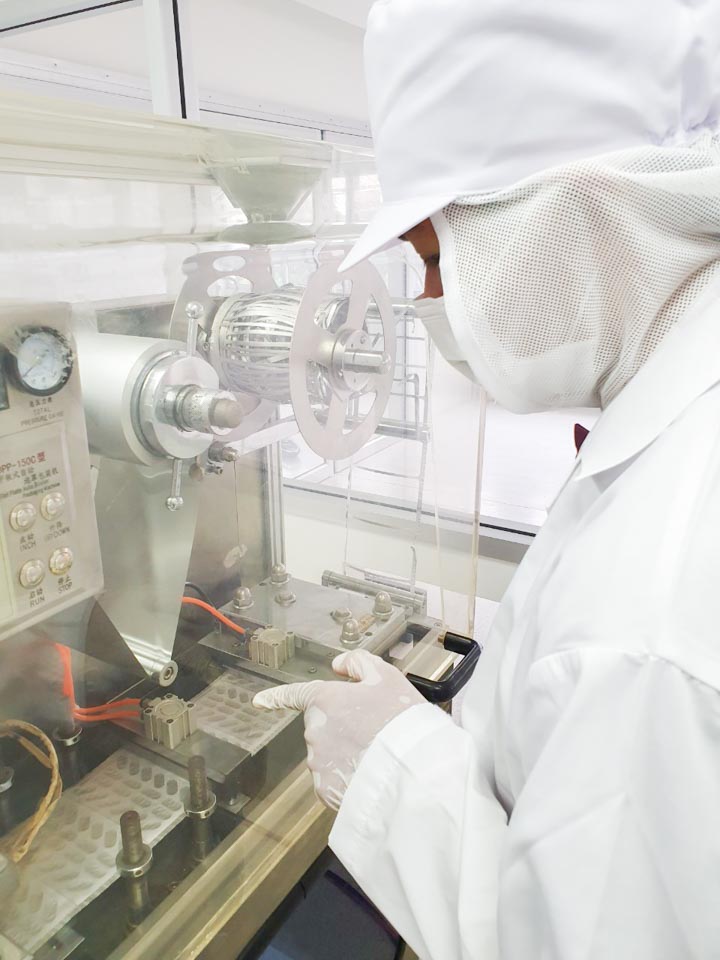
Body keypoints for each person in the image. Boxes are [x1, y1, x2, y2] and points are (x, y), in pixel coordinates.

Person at [254, 1, 720, 956]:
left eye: (433, 255)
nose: (429, 298)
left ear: (574, 207)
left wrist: (391, 763)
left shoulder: (650, 613)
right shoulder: (671, 414)